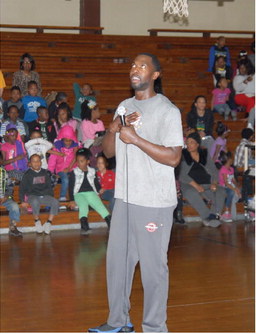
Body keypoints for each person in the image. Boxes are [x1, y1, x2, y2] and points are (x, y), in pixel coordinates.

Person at [88, 53, 184, 333]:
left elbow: (174, 158)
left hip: (154, 201)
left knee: (154, 270)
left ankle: (155, 327)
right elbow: (108, 151)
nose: (135, 69)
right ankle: (118, 321)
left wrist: (136, 139)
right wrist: (113, 129)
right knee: (117, 263)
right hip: (125, 199)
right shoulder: (124, 106)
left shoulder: (168, 111)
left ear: (155, 75)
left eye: (142, 66)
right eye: (133, 65)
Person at [179, 132, 226, 228]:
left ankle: (214, 215)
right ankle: (206, 216)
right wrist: (196, 185)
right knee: (191, 193)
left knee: (221, 191)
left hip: (206, 183)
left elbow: (214, 170)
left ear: (198, 144)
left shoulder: (204, 153)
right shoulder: (183, 155)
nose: (188, 145)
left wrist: (214, 183)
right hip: (189, 184)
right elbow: (181, 174)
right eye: (187, 142)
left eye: (191, 142)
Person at [69, 148, 111, 235]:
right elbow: (71, 187)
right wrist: (72, 200)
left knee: (100, 206)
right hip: (78, 194)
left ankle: (110, 224)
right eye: (78, 161)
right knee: (83, 205)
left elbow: (96, 183)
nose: (79, 163)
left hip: (91, 192)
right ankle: (84, 226)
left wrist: (99, 189)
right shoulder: (74, 172)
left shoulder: (92, 171)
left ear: (88, 161)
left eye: (81, 161)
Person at [19, 154, 59, 234]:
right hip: (32, 196)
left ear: (41, 163)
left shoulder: (45, 173)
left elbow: (49, 186)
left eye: (38, 161)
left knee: (55, 202)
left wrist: (50, 197)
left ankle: (48, 223)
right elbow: (22, 189)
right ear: (30, 163)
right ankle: (37, 221)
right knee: (35, 202)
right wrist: (22, 200)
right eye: (33, 161)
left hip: (44, 195)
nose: (36, 163)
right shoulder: (27, 174)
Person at [48, 125, 80, 201]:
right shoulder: (58, 148)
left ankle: (75, 198)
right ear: (62, 139)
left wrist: (69, 168)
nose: (68, 143)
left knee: (77, 179)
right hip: (61, 170)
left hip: (72, 169)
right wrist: (50, 172)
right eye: (66, 140)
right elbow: (52, 160)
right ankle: (62, 197)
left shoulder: (75, 147)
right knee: (65, 179)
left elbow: (76, 158)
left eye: (70, 140)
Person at [0, 161, 22, 237]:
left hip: (5, 198)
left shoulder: (5, 174)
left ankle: (12, 228)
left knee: (15, 206)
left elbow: (10, 191)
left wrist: (7, 197)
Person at [219, 151, 241, 222]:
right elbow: (226, 183)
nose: (232, 160)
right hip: (223, 186)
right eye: (231, 159)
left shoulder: (231, 169)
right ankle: (226, 212)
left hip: (230, 185)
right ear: (228, 160)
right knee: (231, 192)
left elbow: (233, 180)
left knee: (241, 189)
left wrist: (237, 187)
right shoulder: (223, 169)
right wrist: (235, 189)